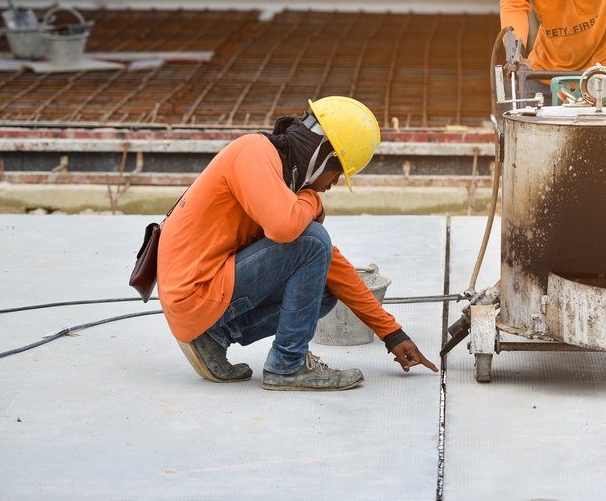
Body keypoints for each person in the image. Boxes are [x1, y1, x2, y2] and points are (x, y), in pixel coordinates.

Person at [157, 96, 438, 391]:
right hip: (193, 293)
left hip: (201, 294)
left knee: (325, 285)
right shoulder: (254, 152)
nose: (335, 183)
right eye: (338, 171)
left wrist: (392, 333)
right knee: (314, 242)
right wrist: (311, 200)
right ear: (323, 157)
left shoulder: (283, 177)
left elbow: (333, 265)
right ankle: (288, 365)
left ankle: (213, 338)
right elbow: (286, 229)